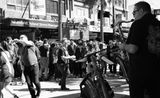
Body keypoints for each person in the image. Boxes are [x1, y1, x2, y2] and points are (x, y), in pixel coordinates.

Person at [118, 1, 160, 98]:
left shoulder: (138, 24)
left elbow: (133, 49)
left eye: (134, 12)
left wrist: (123, 46)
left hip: (140, 72)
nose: (133, 15)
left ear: (141, 10)